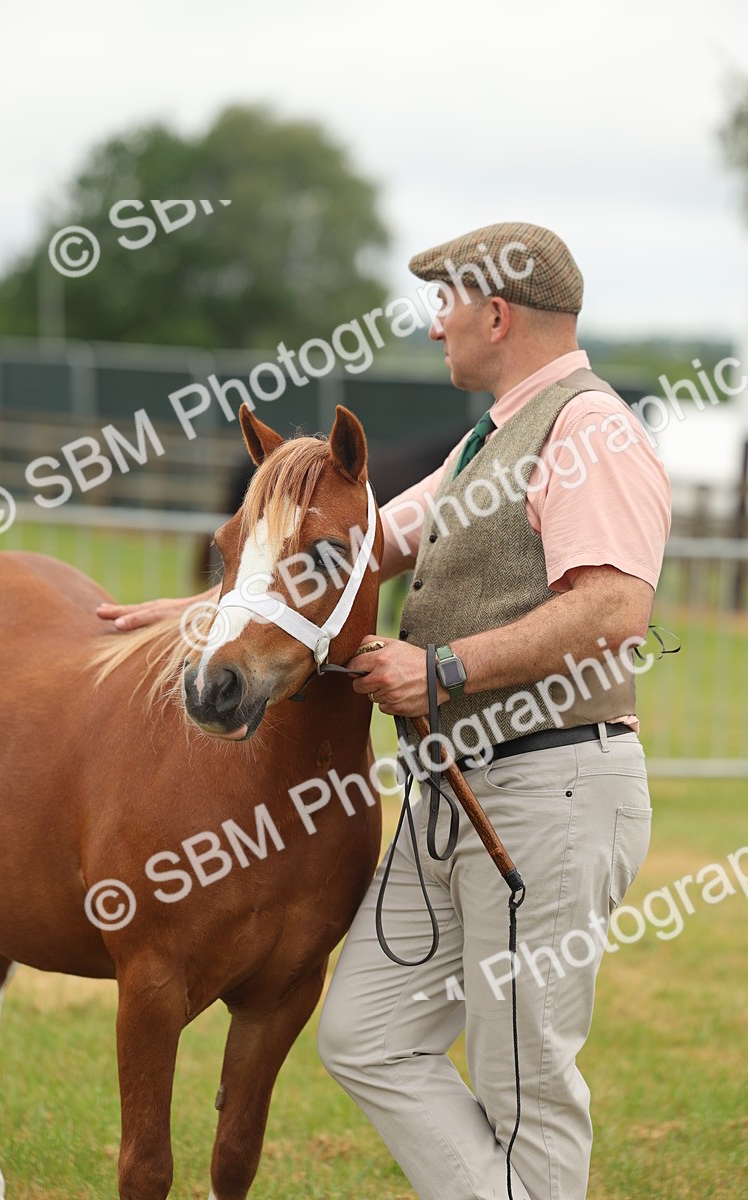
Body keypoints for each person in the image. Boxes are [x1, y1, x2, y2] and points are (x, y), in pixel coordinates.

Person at [98, 221, 671, 1200]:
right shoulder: (487, 439)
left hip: (548, 789)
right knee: (366, 1033)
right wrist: (208, 615)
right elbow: (355, 546)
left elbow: (615, 610)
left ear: (495, 313)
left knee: (519, 1088)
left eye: (445, 301)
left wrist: (438, 670)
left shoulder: (588, 431)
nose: (434, 322)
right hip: (459, 794)